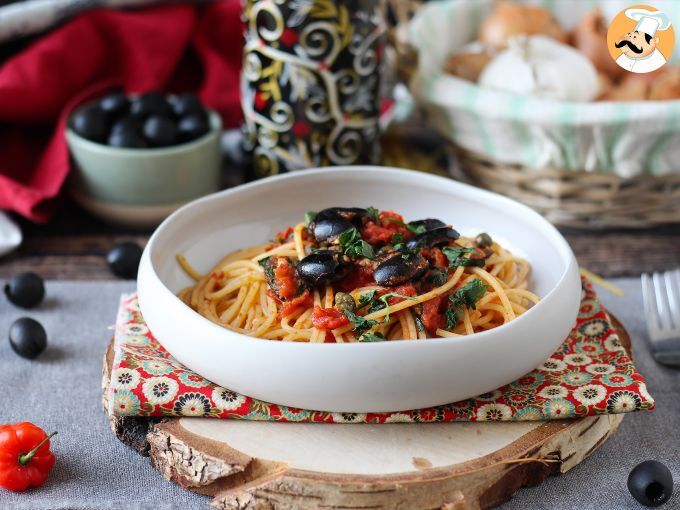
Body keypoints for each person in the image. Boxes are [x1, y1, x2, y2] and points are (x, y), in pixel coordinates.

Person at [614, 8, 671, 74]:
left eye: (635, 37)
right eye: (630, 36)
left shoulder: (658, 63)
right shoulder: (623, 57)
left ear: (653, 41)